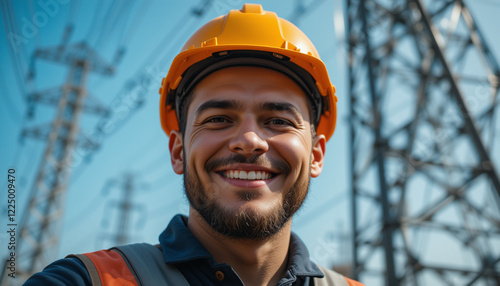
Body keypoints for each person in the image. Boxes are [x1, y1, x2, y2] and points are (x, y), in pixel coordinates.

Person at [24, 3, 363, 286]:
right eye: (218, 119)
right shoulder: (86, 280)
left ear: (316, 154)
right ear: (178, 151)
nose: (249, 141)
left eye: (278, 121)